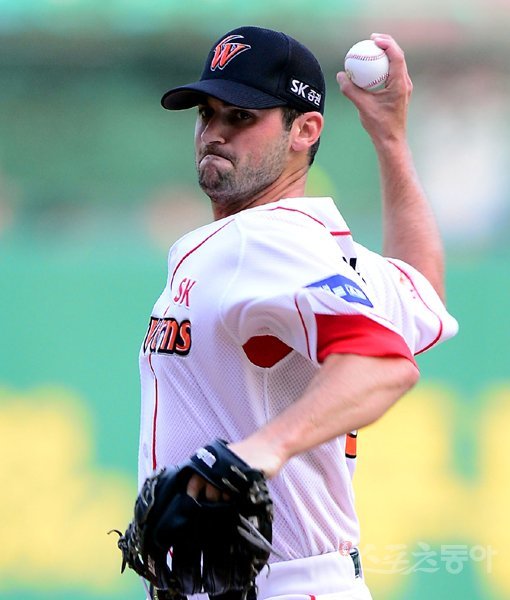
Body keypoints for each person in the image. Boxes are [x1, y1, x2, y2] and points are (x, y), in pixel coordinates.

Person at [138, 26, 458, 600]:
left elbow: (384, 362)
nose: (214, 132)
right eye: (207, 113)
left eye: (241, 116)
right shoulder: (327, 254)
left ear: (305, 130)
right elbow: (423, 296)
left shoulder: (262, 240)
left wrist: (263, 449)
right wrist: (389, 140)